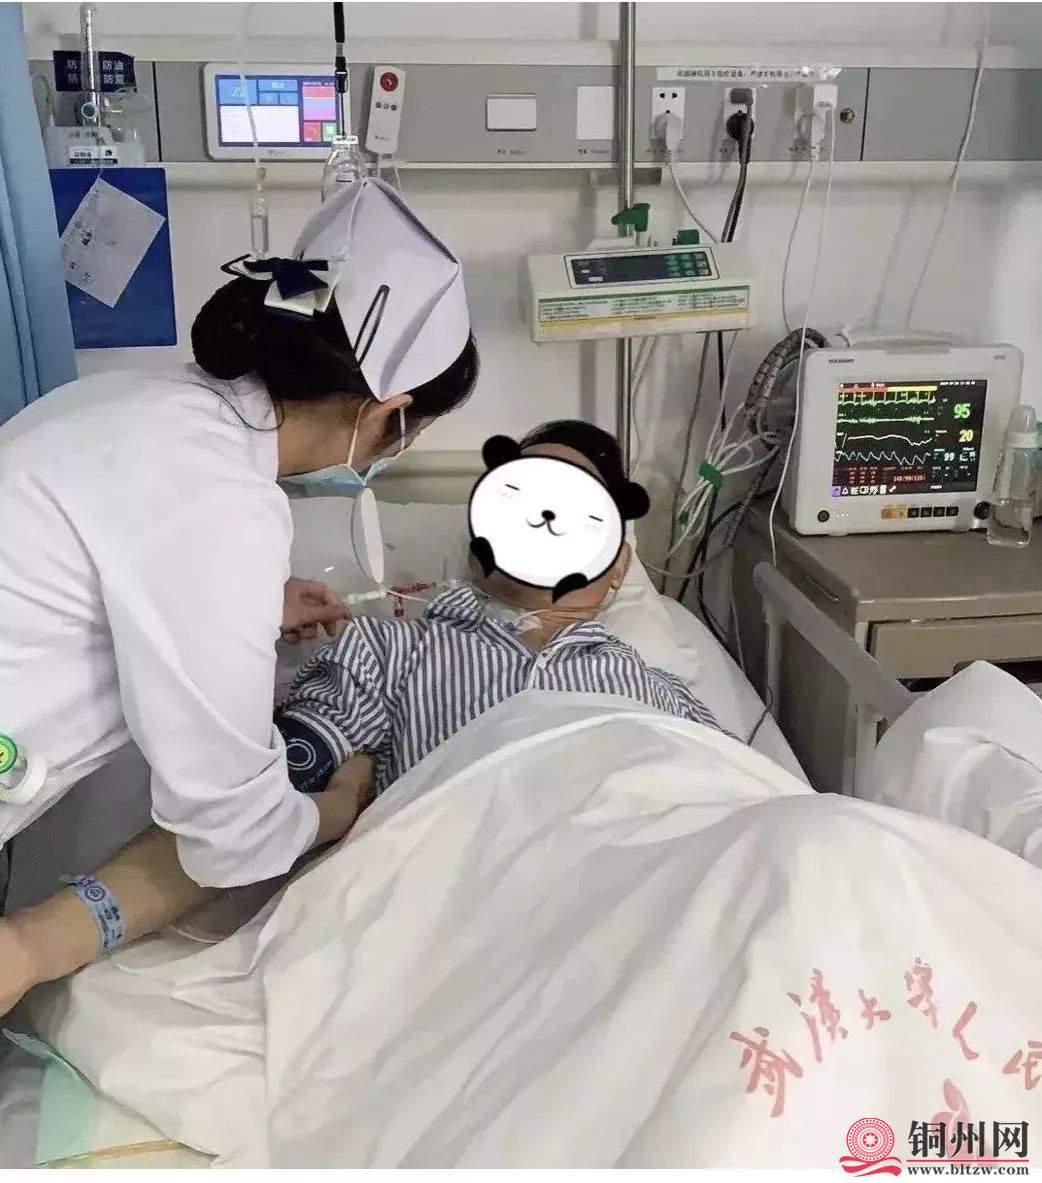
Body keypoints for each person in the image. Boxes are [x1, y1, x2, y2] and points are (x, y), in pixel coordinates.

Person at [0, 423, 723, 1019]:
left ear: (618, 560)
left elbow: (738, 827)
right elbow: (242, 814)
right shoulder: (390, 651)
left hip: (638, 925)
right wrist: (34, 944)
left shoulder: (662, 692)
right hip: (471, 931)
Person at [0, 178, 478, 934]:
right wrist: (335, 808)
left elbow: (131, 566)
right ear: (388, 414)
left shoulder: (137, 401)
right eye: (412, 434)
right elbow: (230, 830)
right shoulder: (221, 505)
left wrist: (250, 606)